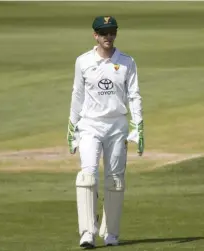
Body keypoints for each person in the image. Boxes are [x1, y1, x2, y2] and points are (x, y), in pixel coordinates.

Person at [66, 15, 144, 248]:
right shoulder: (83, 61)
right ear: (95, 36)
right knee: (87, 177)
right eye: (104, 33)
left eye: (112, 32)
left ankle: (111, 234)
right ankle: (87, 232)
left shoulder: (127, 61)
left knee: (115, 181)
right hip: (90, 125)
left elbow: (134, 95)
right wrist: (72, 127)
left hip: (117, 125)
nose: (108, 37)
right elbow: (77, 94)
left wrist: (138, 126)